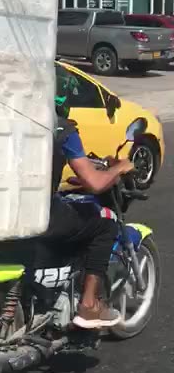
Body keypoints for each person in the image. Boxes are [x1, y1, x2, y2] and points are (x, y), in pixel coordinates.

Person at [42, 78, 134, 329]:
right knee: (105, 222)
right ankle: (89, 304)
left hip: (0, 211)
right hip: (41, 215)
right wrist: (121, 167)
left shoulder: (5, 122)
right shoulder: (63, 129)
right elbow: (94, 183)